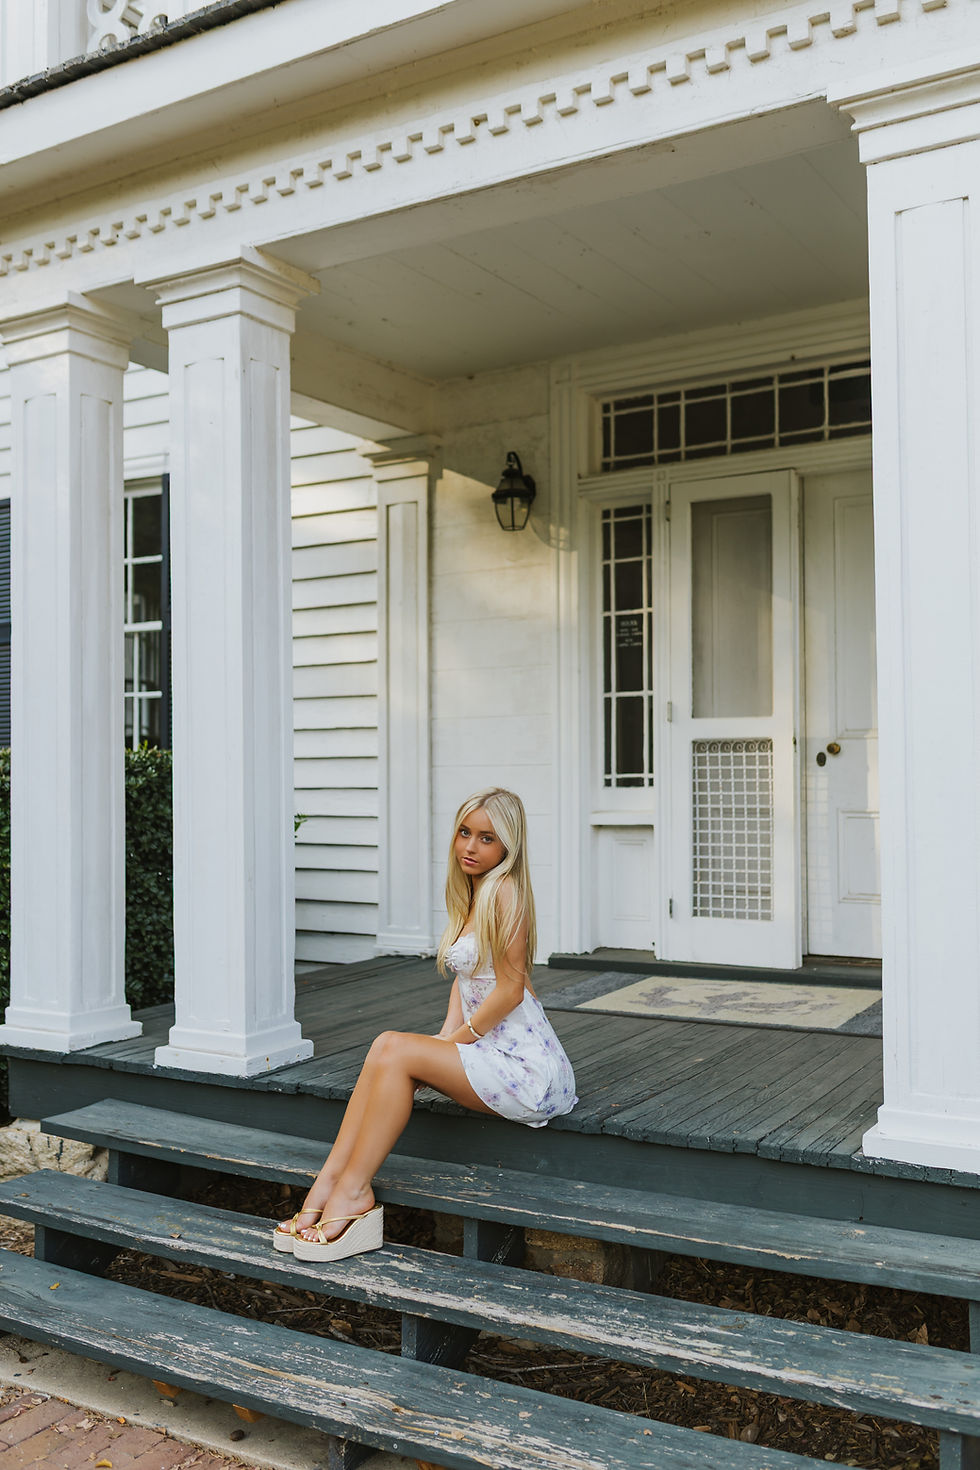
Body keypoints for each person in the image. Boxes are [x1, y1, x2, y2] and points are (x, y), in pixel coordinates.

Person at [273, 786, 578, 1262]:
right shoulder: (471, 894)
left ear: (508, 848)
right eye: (464, 833)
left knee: (393, 1047)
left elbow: (512, 989)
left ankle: (353, 1194)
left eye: (487, 839)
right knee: (387, 1048)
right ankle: (327, 1184)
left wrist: (457, 1042)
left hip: (527, 1068)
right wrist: (443, 1038)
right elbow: (466, 980)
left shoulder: (507, 891)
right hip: (489, 1049)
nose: (470, 847)